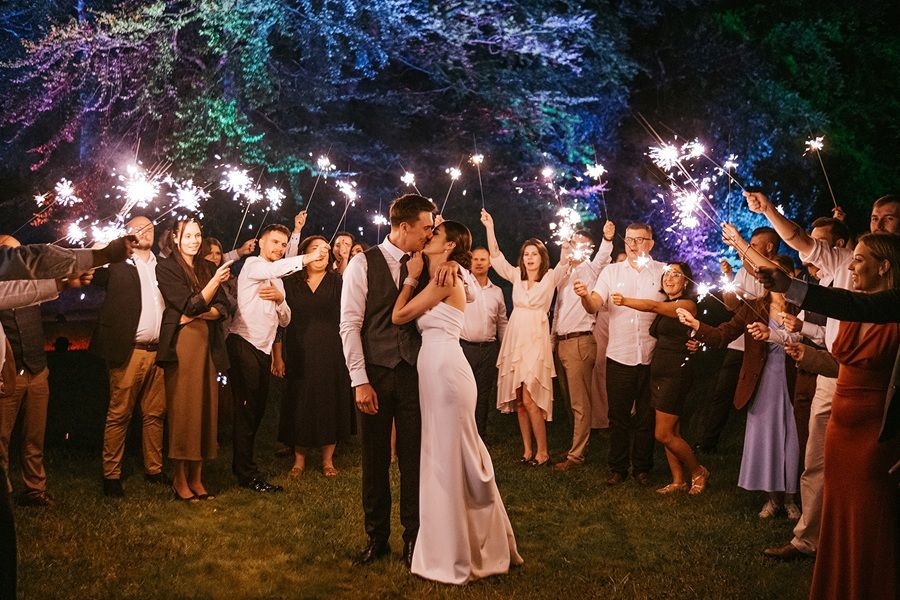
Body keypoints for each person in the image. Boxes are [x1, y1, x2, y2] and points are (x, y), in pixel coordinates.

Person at [744, 191, 898, 560]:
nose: (877, 223)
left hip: (881, 399)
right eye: (874, 217)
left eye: (888, 218)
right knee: (817, 462)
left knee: (871, 490)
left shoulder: (889, 296)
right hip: (837, 385)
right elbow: (801, 241)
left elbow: (857, 305)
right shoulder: (851, 260)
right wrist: (768, 211)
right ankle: (813, 539)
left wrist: (793, 289)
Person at [391, 220, 522, 584]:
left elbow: (399, 316)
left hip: (447, 371)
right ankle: (460, 539)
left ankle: (463, 547)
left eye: (435, 234)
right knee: (443, 453)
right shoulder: (449, 273)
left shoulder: (446, 279)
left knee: (453, 456)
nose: (428, 236)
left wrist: (410, 279)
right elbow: (473, 293)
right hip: (435, 371)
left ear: (449, 246)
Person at [340, 194, 460, 569]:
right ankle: (377, 538)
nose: (430, 234)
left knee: (414, 460)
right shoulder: (362, 263)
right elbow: (349, 325)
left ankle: (414, 539)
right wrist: (359, 380)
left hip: (415, 374)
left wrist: (452, 264)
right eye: (426, 227)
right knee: (374, 461)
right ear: (404, 227)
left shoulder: (431, 264)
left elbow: (464, 285)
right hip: (375, 374)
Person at [807, 232, 899, 599]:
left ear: (884, 266)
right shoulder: (852, 309)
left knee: (870, 519)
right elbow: (841, 364)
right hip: (839, 429)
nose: (851, 266)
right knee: (838, 515)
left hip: (874, 432)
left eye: (859, 259)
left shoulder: (895, 316)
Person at [678, 253, 801, 518]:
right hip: (763, 380)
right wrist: (697, 325)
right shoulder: (754, 307)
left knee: (793, 437)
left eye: (777, 273)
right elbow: (724, 333)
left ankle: (792, 498)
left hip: (795, 381)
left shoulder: (801, 308)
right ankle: (773, 498)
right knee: (767, 438)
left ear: (791, 277)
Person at [227, 224, 325, 493]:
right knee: (247, 411)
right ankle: (246, 473)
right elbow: (275, 269)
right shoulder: (253, 265)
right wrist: (308, 257)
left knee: (256, 411)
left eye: (283, 244)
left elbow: (286, 318)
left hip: (263, 350)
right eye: (275, 242)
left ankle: (242, 465)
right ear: (261, 243)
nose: (280, 248)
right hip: (243, 343)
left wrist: (281, 300)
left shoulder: (277, 279)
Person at [574, 222, 666, 486]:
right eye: (629, 239)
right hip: (619, 355)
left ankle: (642, 468)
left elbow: (675, 306)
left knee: (647, 416)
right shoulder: (611, 272)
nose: (634, 244)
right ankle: (618, 468)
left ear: (651, 243)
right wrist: (584, 296)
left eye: (640, 239)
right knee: (618, 416)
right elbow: (594, 304)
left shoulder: (662, 272)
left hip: (652, 355)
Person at [481, 209, 572, 467]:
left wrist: (566, 244)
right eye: (526, 254)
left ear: (542, 257)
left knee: (532, 397)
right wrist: (490, 227)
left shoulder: (550, 277)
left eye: (534, 254)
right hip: (516, 338)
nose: (530, 258)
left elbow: (565, 262)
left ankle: (543, 452)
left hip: (536, 338)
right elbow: (496, 256)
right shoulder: (516, 277)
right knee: (520, 399)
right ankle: (527, 450)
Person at [610, 262, 709, 494]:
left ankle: (698, 471)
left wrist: (624, 300)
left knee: (662, 433)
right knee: (672, 431)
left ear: (686, 282)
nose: (669, 278)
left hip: (676, 373)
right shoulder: (667, 304)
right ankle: (678, 480)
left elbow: (653, 306)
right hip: (659, 372)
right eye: (666, 274)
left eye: (676, 275)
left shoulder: (687, 305)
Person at [90, 216, 168, 498]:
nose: (144, 232)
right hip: (129, 350)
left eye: (149, 228)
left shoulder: (162, 266)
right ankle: (111, 474)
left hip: (159, 351)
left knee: (155, 413)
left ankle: (154, 469)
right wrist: (103, 246)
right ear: (127, 233)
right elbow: (93, 272)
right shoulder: (117, 263)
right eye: (138, 228)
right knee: (119, 413)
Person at [156, 217, 232, 502]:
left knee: (205, 408)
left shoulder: (207, 267)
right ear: (176, 238)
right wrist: (210, 289)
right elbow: (188, 304)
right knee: (184, 410)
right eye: (187, 236)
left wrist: (204, 311)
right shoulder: (166, 268)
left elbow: (223, 307)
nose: (194, 241)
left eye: (197, 235)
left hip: (208, 343)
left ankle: (198, 478)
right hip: (183, 345)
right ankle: (179, 479)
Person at [692, 226, 779, 454]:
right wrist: (728, 278)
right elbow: (731, 305)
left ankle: (758, 448)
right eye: (748, 245)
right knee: (722, 392)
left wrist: (740, 249)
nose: (749, 249)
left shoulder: (779, 270)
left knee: (761, 396)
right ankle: (708, 442)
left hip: (766, 345)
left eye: (754, 245)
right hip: (739, 341)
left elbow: (762, 280)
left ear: (770, 247)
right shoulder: (744, 271)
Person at [276, 235, 354, 477]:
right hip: (299, 349)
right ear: (305, 253)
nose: (321, 253)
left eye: (324, 249)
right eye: (314, 248)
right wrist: (277, 354)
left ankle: (327, 460)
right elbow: (279, 320)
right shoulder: (291, 283)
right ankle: (299, 459)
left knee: (328, 399)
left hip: (331, 350)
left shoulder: (338, 282)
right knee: (300, 400)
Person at [552, 225, 613, 471]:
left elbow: (603, 256)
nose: (577, 247)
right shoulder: (564, 272)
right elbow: (558, 310)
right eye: (574, 242)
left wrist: (607, 237)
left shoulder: (592, 269)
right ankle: (576, 446)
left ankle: (576, 456)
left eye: (583, 245)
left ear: (589, 249)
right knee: (569, 400)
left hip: (580, 342)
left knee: (580, 403)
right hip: (562, 342)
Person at [459, 246, 508, 439]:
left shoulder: (497, 292)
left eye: (483, 259)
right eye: (475, 259)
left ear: (490, 263)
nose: (478, 263)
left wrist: (505, 350)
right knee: (464, 393)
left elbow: (502, 322)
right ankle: (462, 434)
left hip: (489, 349)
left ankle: (479, 435)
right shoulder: (462, 285)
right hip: (465, 348)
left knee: (483, 394)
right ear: (469, 262)